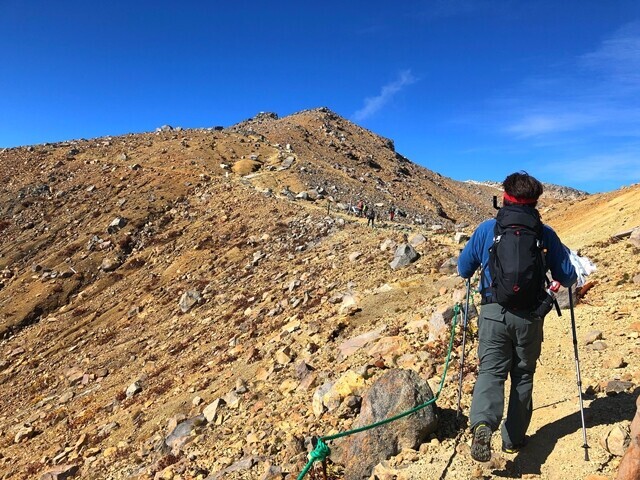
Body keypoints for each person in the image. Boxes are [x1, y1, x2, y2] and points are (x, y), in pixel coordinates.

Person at [457, 171, 577, 462]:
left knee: (491, 372)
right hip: (529, 317)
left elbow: (463, 268)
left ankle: (483, 423)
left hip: (493, 314)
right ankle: (513, 440)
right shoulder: (544, 233)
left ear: (504, 197)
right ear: (535, 202)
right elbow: (568, 276)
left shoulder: (488, 229)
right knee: (523, 376)